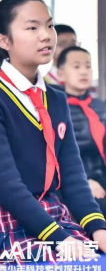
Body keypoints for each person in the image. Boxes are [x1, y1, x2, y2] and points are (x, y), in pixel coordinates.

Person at [0, 0, 106, 271]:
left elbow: (73, 175)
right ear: (4, 41)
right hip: (1, 220)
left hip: (54, 214)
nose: (46, 36)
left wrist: (98, 228)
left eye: (50, 26)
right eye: (32, 28)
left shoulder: (55, 99)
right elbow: (4, 185)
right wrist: (58, 238)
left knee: (96, 266)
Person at [57, 46, 106, 217]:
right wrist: (84, 182)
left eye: (88, 66)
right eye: (76, 67)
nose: (84, 72)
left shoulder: (102, 107)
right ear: (61, 74)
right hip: (71, 183)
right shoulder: (55, 108)